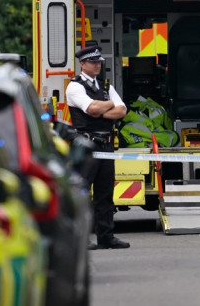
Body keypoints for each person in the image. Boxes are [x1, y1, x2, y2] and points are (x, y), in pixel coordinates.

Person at [66, 45, 130, 250]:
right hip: (85, 143)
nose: (97, 65)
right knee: (83, 193)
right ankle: (81, 238)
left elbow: (122, 111)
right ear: (82, 64)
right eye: (93, 62)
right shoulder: (74, 86)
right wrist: (106, 105)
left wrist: (102, 109)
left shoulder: (105, 85)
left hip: (106, 143)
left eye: (99, 62)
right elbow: (91, 108)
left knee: (105, 193)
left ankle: (106, 236)